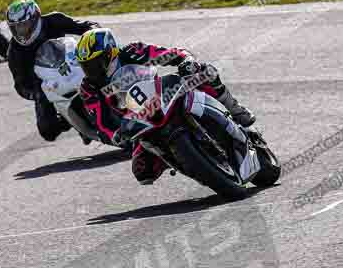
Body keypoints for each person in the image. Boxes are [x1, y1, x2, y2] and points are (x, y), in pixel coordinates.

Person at [75, 27, 256, 185]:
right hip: (137, 121)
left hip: (163, 94)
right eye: (86, 66)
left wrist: (185, 61)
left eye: (95, 63)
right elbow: (100, 120)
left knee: (204, 72)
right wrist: (115, 134)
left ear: (110, 52)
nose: (91, 69)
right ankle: (192, 165)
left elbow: (169, 54)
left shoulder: (131, 51)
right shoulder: (88, 87)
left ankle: (235, 109)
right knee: (143, 172)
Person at [6, 0, 100, 142]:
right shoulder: (14, 51)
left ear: (36, 18)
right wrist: (37, 94)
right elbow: (20, 84)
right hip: (46, 82)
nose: (21, 31)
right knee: (47, 131)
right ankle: (69, 119)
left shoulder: (54, 20)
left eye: (24, 25)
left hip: (71, 61)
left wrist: (93, 32)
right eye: (16, 27)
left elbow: (85, 26)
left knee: (100, 64)